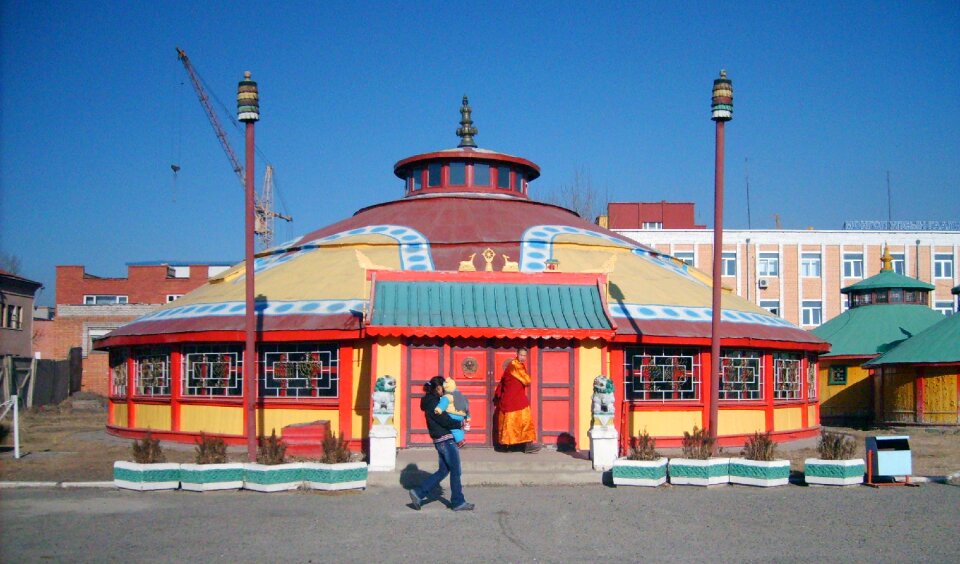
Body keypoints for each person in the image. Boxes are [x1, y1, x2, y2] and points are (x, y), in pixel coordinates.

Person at [408, 376, 474, 511]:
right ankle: (457, 501)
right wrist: (460, 423)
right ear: (438, 388)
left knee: (443, 470)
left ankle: (419, 493)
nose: (444, 392)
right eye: (443, 389)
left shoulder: (430, 401)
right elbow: (444, 420)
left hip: (440, 440)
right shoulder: (434, 403)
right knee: (456, 470)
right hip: (446, 439)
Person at [493, 348, 540, 453]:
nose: (523, 358)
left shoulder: (517, 366)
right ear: (517, 354)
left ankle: (522, 445)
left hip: (517, 398)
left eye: (524, 356)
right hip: (512, 400)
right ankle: (512, 446)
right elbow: (527, 380)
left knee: (520, 422)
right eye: (521, 355)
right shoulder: (514, 367)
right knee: (520, 421)